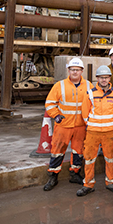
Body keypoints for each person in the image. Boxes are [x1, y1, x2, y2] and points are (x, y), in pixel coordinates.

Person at [43, 57, 90, 191]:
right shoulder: (60, 85)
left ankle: (75, 174)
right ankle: (53, 176)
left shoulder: (88, 85)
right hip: (63, 125)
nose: (75, 72)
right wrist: (56, 115)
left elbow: (93, 103)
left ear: (82, 71)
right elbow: (50, 103)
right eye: (72, 70)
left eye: (78, 70)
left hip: (80, 126)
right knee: (57, 151)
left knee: (78, 151)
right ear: (68, 71)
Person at [77, 65, 113, 197]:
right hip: (93, 132)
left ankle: (111, 182)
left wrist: (109, 124)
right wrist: (93, 124)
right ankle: (88, 184)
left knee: (110, 158)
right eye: (101, 78)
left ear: (109, 78)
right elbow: (84, 113)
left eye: (106, 77)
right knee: (90, 158)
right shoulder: (90, 94)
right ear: (97, 78)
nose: (104, 80)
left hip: (110, 132)